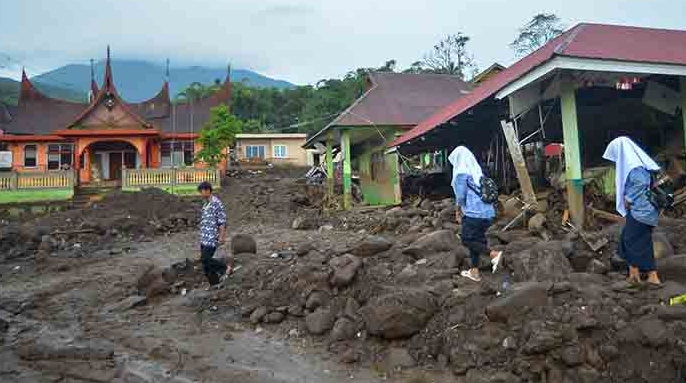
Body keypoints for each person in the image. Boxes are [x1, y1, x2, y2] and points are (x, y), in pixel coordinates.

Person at [603, 136, 661, 285]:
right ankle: (643, 275)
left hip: (641, 212)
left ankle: (641, 276)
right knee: (636, 241)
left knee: (630, 241)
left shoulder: (634, 166)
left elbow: (641, 182)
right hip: (645, 212)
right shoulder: (636, 163)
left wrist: (628, 199)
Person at [449, 146, 503, 282]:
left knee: (466, 239)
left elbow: (460, 197)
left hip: (473, 214)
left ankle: (493, 254)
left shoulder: (461, 174)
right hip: (488, 214)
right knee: (476, 241)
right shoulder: (477, 172)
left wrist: (457, 211)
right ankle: (474, 271)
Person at [197, 181, 229, 286]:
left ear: (207, 190)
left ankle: (225, 268)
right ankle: (214, 284)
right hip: (204, 237)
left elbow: (222, 221)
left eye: (201, 192)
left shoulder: (216, 203)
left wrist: (222, 236)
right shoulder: (206, 203)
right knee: (205, 264)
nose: (200, 194)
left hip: (212, 237)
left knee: (205, 258)